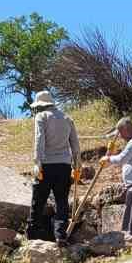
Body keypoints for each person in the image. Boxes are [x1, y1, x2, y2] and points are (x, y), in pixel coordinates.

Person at [29, 90, 80, 243]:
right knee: (61, 201)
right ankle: (60, 235)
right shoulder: (67, 118)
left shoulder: (41, 117)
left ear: (41, 105)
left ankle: (33, 234)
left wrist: (37, 162)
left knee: (38, 201)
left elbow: (40, 140)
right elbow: (75, 145)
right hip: (64, 166)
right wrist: (77, 164)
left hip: (46, 165)